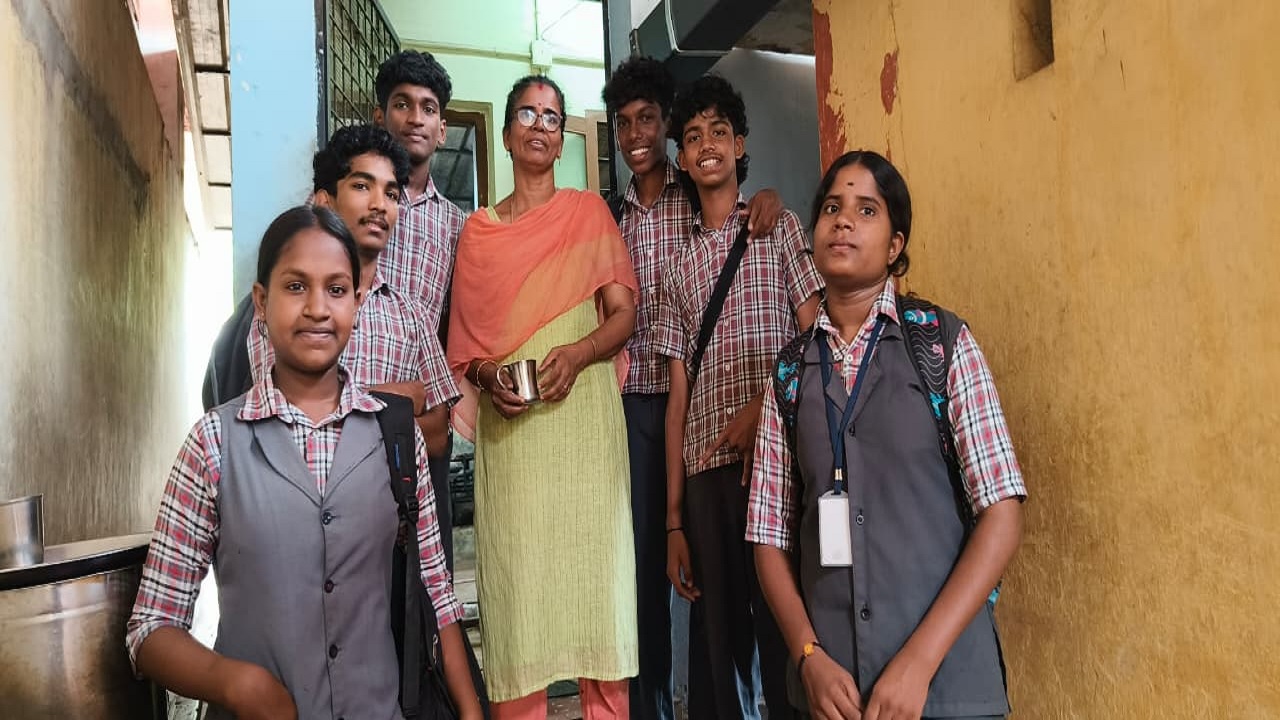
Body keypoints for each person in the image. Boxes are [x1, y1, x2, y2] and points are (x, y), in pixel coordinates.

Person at [127, 206, 482, 720]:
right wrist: (236, 684)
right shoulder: (213, 444)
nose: (317, 308)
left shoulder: (396, 437)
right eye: (296, 287)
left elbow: (438, 595)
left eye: (336, 289)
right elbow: (150, 628)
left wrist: (470, 711)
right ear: (261, 302)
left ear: (356, 303)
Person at [747, 150, 1027, 720]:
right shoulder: (789, 371)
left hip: (947, 691)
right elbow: (768, 534)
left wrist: (919, 663)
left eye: (866, 210)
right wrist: (807, 657)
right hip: (834, 698)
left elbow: (1002, 512)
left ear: (896, 245)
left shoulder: (944, 345)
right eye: (831, 208)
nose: (843, 221)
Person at [446, 75, 639, 719]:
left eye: (552, 117)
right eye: (527, 114)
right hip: (515, 441)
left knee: (598, 595)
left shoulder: (587, 214)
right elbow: (465, 351)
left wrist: (579, 354)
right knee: (520, 601)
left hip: (585, 434)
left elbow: (623, 315)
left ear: (561, 141)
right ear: (506, 135)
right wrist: (488, 379)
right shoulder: (477, 235)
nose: (539, 125)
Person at [601, 55, 786, 720]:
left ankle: (741, 698)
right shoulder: (608, 216)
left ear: (668, 130)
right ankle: (654, 706)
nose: (636, 134)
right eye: (624, 123)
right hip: (638, 406)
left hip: (707, 409)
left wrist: (768, 198)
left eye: (648, 119)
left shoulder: (710, 197)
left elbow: (748, 210)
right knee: (647, 566)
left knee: (740, 578)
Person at [651, 74, 823, 720]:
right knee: (721, 642)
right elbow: (677, 399)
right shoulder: (677, 269)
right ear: (681, 159)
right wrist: (673, 521)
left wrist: (764, 409)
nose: (707, 145)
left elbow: (817, 337)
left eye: (718, 131)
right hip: (705, 471)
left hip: (779, 460)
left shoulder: (778, 228)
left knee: (788, 627)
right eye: (693, 137)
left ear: (740, 144)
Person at [373, 50, 468, 567]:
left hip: (423, 421)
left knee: (428, 576)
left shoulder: (456, 226)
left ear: (442, 129)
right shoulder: (353, 206)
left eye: (428, 108)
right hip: (353, 416)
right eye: (402, 104)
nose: (415, 118)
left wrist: (443, 411)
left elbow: (458, 322)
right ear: (380, 116)